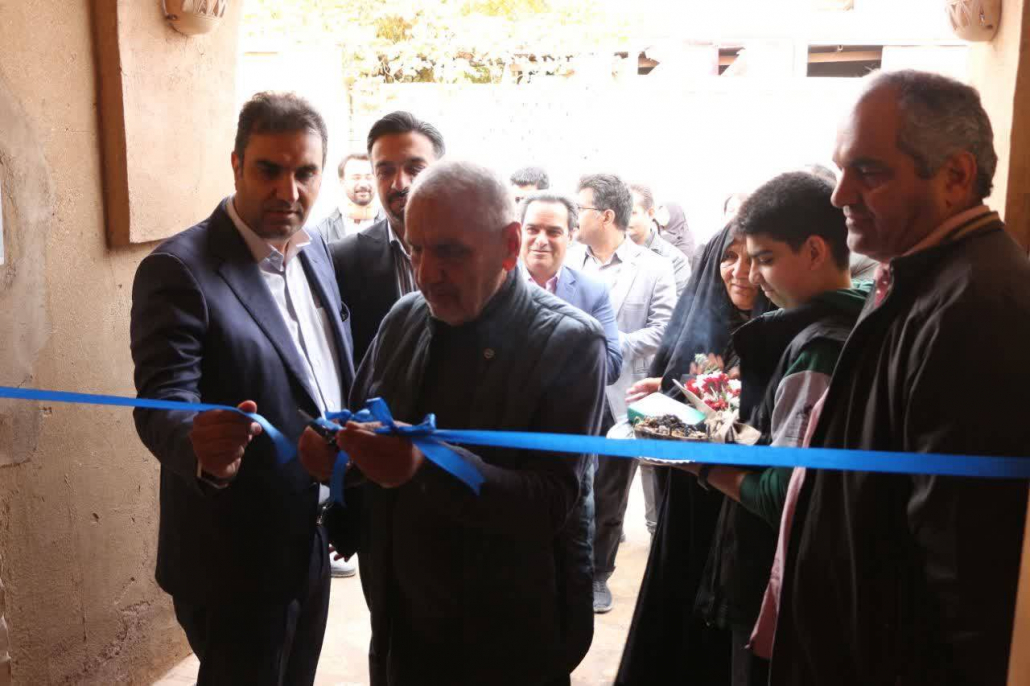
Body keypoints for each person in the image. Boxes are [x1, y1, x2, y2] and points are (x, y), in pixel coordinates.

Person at [300, 160, 607, 686]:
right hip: (401, 615)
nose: (426, 274)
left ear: (509, 245)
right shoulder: (404, 317)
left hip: (506, 633)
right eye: (416, 249)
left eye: (450, 252)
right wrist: (334, 457)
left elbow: (550, 501)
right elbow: (362, 431)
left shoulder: (570, 343)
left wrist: (426, 466)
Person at [770, 70, 1030, 686]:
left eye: (869, 172)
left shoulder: (976, 307)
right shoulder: (923, 277)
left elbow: (964, 563)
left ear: (955, 177)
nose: (839, 195)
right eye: (842, 168)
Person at [130, 92, 356, 685]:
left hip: (312, 537)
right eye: (269, 170)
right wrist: (202, 447)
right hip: (233, 556)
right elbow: (162, 401)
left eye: (305, 173)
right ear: (236, 165)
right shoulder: (179, 269)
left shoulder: (315, 252)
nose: (288, 191)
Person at [680, 171, 868, 686]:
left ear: (815, 250)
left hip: (774, 579)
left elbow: (784, 492)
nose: (754, 276)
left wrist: (697, 462)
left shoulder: (819, 350)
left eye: (764, 258)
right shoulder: (858, 317)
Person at [616, 223, 769, 686]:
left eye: (755, 258)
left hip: (746, 513)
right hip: (688, 506)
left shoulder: (782, 337)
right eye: (729, 257)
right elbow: (677, 381)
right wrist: (667, 390)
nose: (739, 271)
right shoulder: (702, 318)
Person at [566, 173, 676, 613]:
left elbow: (664, 330)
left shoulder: (654, 268)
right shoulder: (567, 260)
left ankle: (598, 575)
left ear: (606, 215)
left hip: (621, 397)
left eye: (581, 209)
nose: (574, 217)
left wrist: (608, 343)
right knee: (567, 483)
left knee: (610, 495)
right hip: (569, 392)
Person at [330, 112, 445, 367]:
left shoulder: (476, 251)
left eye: (415, 169)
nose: (399, 184)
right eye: (385, 171)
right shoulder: (343, 261)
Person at [628, 183, 691, 296]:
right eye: (620, 212)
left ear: (650, 214)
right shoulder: (605, 253)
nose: (624, 218)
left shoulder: (674, 260)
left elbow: (679, 305)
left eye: (632, 213)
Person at [316, 152, 384, 242]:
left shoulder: (392, 225)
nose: (363, 184)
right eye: (356, 178)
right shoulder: (323, 230)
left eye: (369, 177)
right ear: (342, 182)